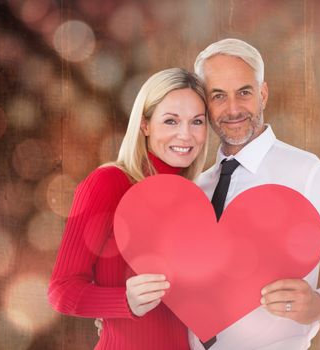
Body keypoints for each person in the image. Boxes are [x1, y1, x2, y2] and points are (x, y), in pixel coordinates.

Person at [188, 38, 320, 350]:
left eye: (244, 92)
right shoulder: (196, 189)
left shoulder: (306, 173)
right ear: (204, 104)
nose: (232, 109)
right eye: (218, 95)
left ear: (263, 94)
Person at [48, 67, 209, 350]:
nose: (186, 135)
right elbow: (62, 290)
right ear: (145, 125)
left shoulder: (196, 200)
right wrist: (123, 302)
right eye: (171, 121)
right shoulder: (108, 183)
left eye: (197, 122)